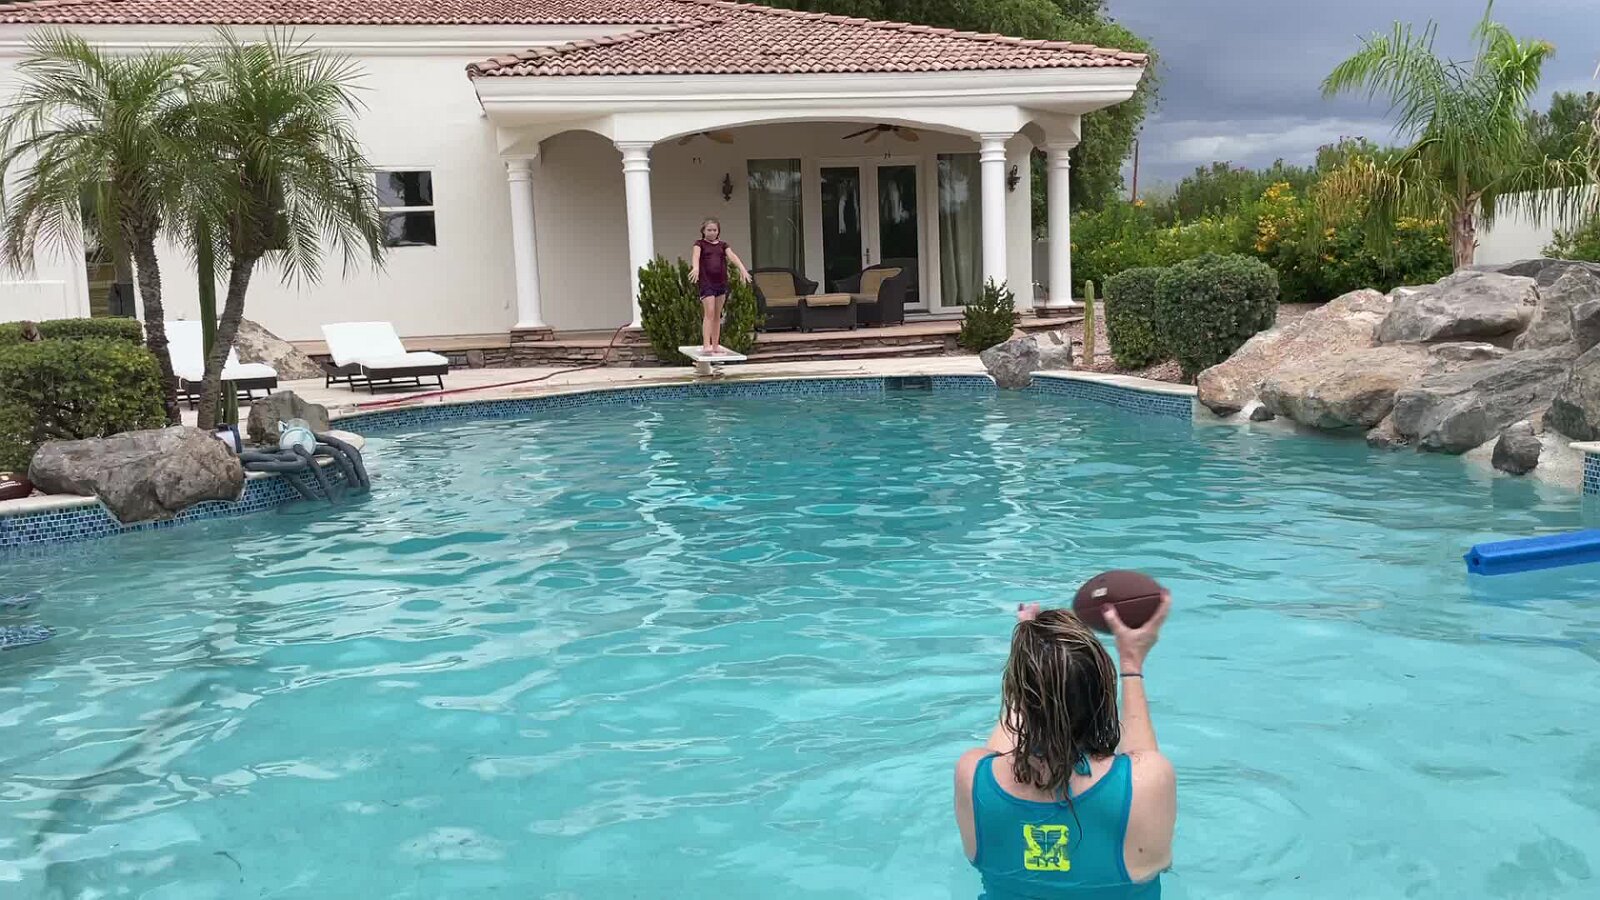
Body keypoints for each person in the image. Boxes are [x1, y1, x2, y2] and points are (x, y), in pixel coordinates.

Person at [954, 594, 1176, 899]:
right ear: (1102, 695)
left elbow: (1008, 742)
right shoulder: (1148, 779)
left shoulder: (972, 777)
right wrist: (1131, 662)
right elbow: (1142, 766)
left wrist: (1032, 663)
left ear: (1018, 694)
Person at [688, 218, 750, 355]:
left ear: (718, 231)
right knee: (709, 313)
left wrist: (742, 269)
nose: (712, 232)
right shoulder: (699, 244)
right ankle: (706, 345)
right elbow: (695, 256)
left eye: (714, 230)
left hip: (721, 282)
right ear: (703, 231)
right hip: (707, 282)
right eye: (709, 230)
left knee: (717, 314)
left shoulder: (723, 245)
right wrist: (696, 268)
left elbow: (732, 256)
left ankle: (715, 345)